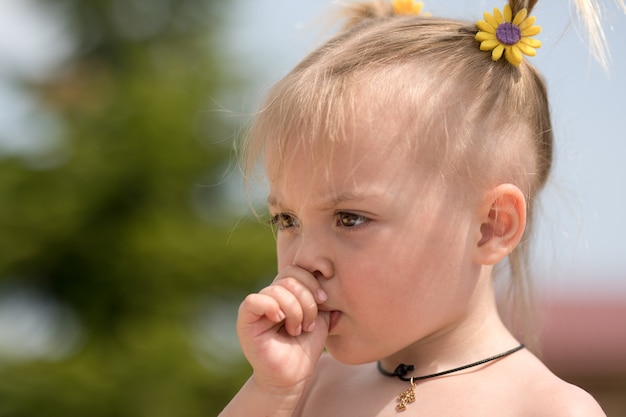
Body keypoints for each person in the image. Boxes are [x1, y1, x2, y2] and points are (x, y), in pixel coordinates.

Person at [220, 0, 608, 415]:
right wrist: (271, 391)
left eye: (349, 218)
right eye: (287, 219)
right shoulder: (306, 388)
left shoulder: (544, 408)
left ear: (490, 227)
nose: (302, 258)